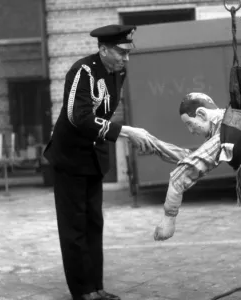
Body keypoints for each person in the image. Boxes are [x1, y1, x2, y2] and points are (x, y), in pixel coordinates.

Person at [43, 24, 150, 300]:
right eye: (122, 53)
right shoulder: (83, 72)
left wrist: (119, 132)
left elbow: (103, 112)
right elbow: (78, 116)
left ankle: (96, 287)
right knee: (74, 227)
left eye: (128, 53)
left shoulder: (118, 71)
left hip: (93, 158)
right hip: (70, 159)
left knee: (94, 224)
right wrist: (126, 132)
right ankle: (83, 291)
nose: (126, 59)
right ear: (103, 49)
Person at [126, 92, 241, 241]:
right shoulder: (230, 122)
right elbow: (192, 159)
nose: (191, 131)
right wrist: (155, 145)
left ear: (201, 114)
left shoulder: (224, 135)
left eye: (189, 124)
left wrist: (169, 219)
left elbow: (180, 176)